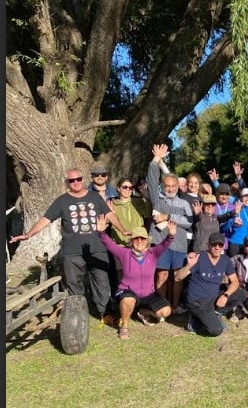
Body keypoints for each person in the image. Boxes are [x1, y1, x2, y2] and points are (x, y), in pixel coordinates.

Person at [10, 168, 129, 320]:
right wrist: (28, 234)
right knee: (74, 284)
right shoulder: (62, 201)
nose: (76, 182)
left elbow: (110, 214)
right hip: (73, 251)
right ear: (67, 182)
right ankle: (77, 315)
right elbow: (45, 220)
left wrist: (123, 230)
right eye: (72, 180)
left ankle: (105, 313)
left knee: (101, 281)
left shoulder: (95, 197)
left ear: (83, 179)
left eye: (78, 179)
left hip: (97, 248)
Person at [97, 215, 175, 339]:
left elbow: (164, 244)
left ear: (147, 241)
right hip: (128, 291)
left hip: (148, 294)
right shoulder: (124, 253)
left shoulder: (153, 253)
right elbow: (110, 245)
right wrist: (101, 232)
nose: (139, 241)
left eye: (142, 239)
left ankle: (143, 312)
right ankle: (124, 327)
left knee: (166, 311)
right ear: (131, 241)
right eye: (136, 239)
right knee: (128, 299)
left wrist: (170, 235)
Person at [147, 144, 194, 312]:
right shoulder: (158, 200)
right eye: (167, 186)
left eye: (173, 186)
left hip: (180, 245)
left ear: (177, 187)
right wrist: (155, 161)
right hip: (161, 243)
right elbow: (152, 181)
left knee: (177, 277)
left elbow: (189, 222)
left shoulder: (184, 202)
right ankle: (161, 306)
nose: (170, 188)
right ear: (163, 186)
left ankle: (174, 306)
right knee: (161, 275)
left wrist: (168, 217)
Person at [174, 232, 246, 336]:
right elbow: (177, 277)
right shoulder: (199, 258)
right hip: (198, 301)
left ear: (223, 247)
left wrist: (225, 296)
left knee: (241, 293)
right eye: (214, 244)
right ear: (209, 245)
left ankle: (216, 314)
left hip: (213, 298)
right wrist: (189, 266)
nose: (217, 247)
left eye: (220, 245)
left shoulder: (225, 260)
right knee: (216, 330)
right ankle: (195, 321)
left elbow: (235, 282)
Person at [224, 188, 248, 256]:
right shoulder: (235, 210)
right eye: (245, 196)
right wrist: (232, 221)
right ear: (241, 198)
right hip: (236, 244)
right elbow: (223, 228)